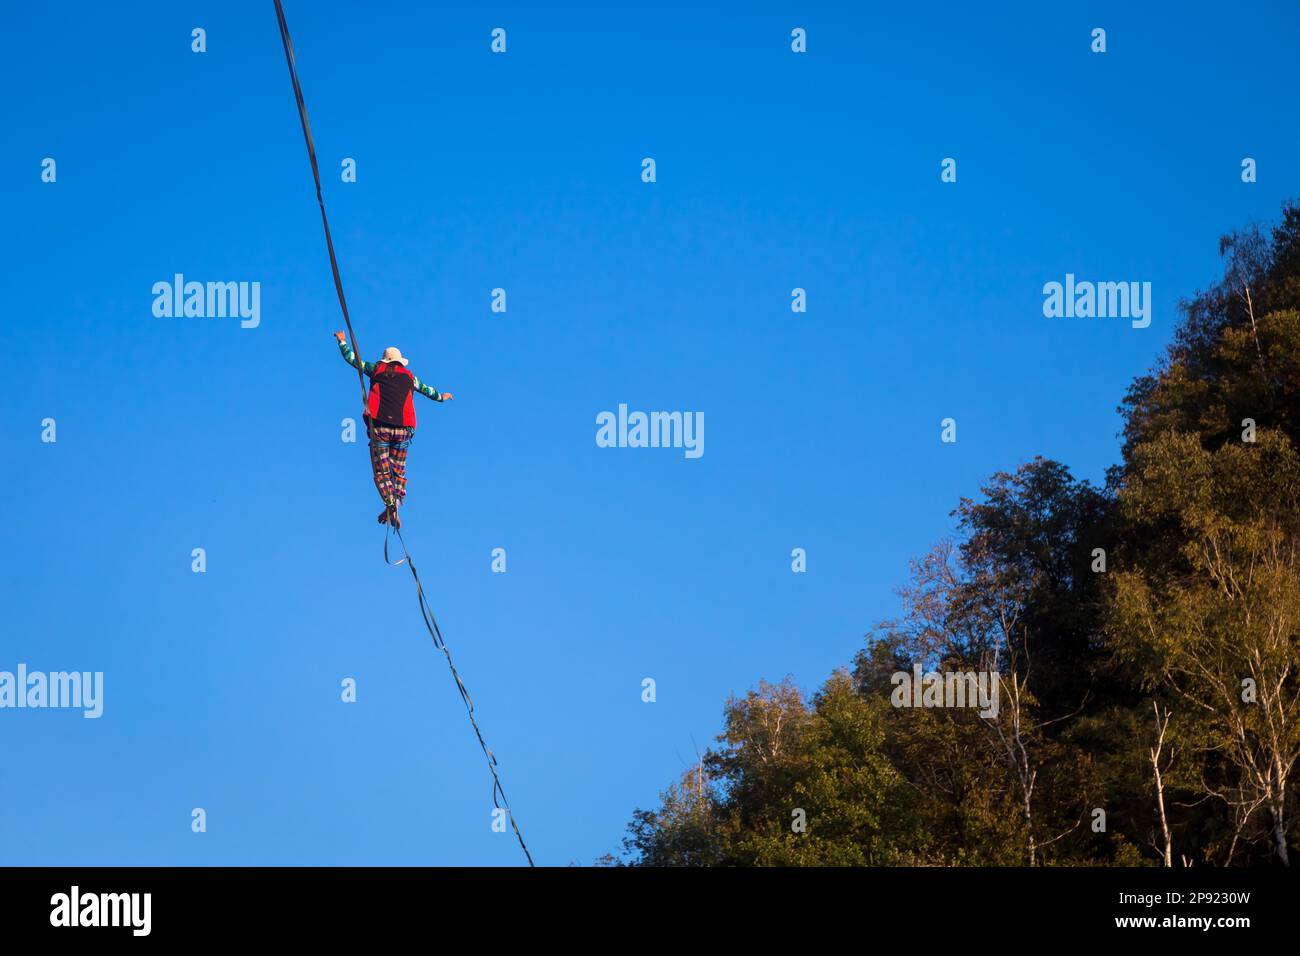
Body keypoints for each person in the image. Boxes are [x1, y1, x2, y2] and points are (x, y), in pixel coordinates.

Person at [334, 331, 452, 529]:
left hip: (380, 426)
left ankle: (390, 502)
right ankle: (396, 502)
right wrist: (442, 396)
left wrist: (342, 341)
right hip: (403, 430)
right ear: (400, 362)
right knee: (397, 470)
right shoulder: (410, 378)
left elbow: (352, 360)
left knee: (382, 470)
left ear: (385, 360)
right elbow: (428, 391)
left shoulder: (377, 369)